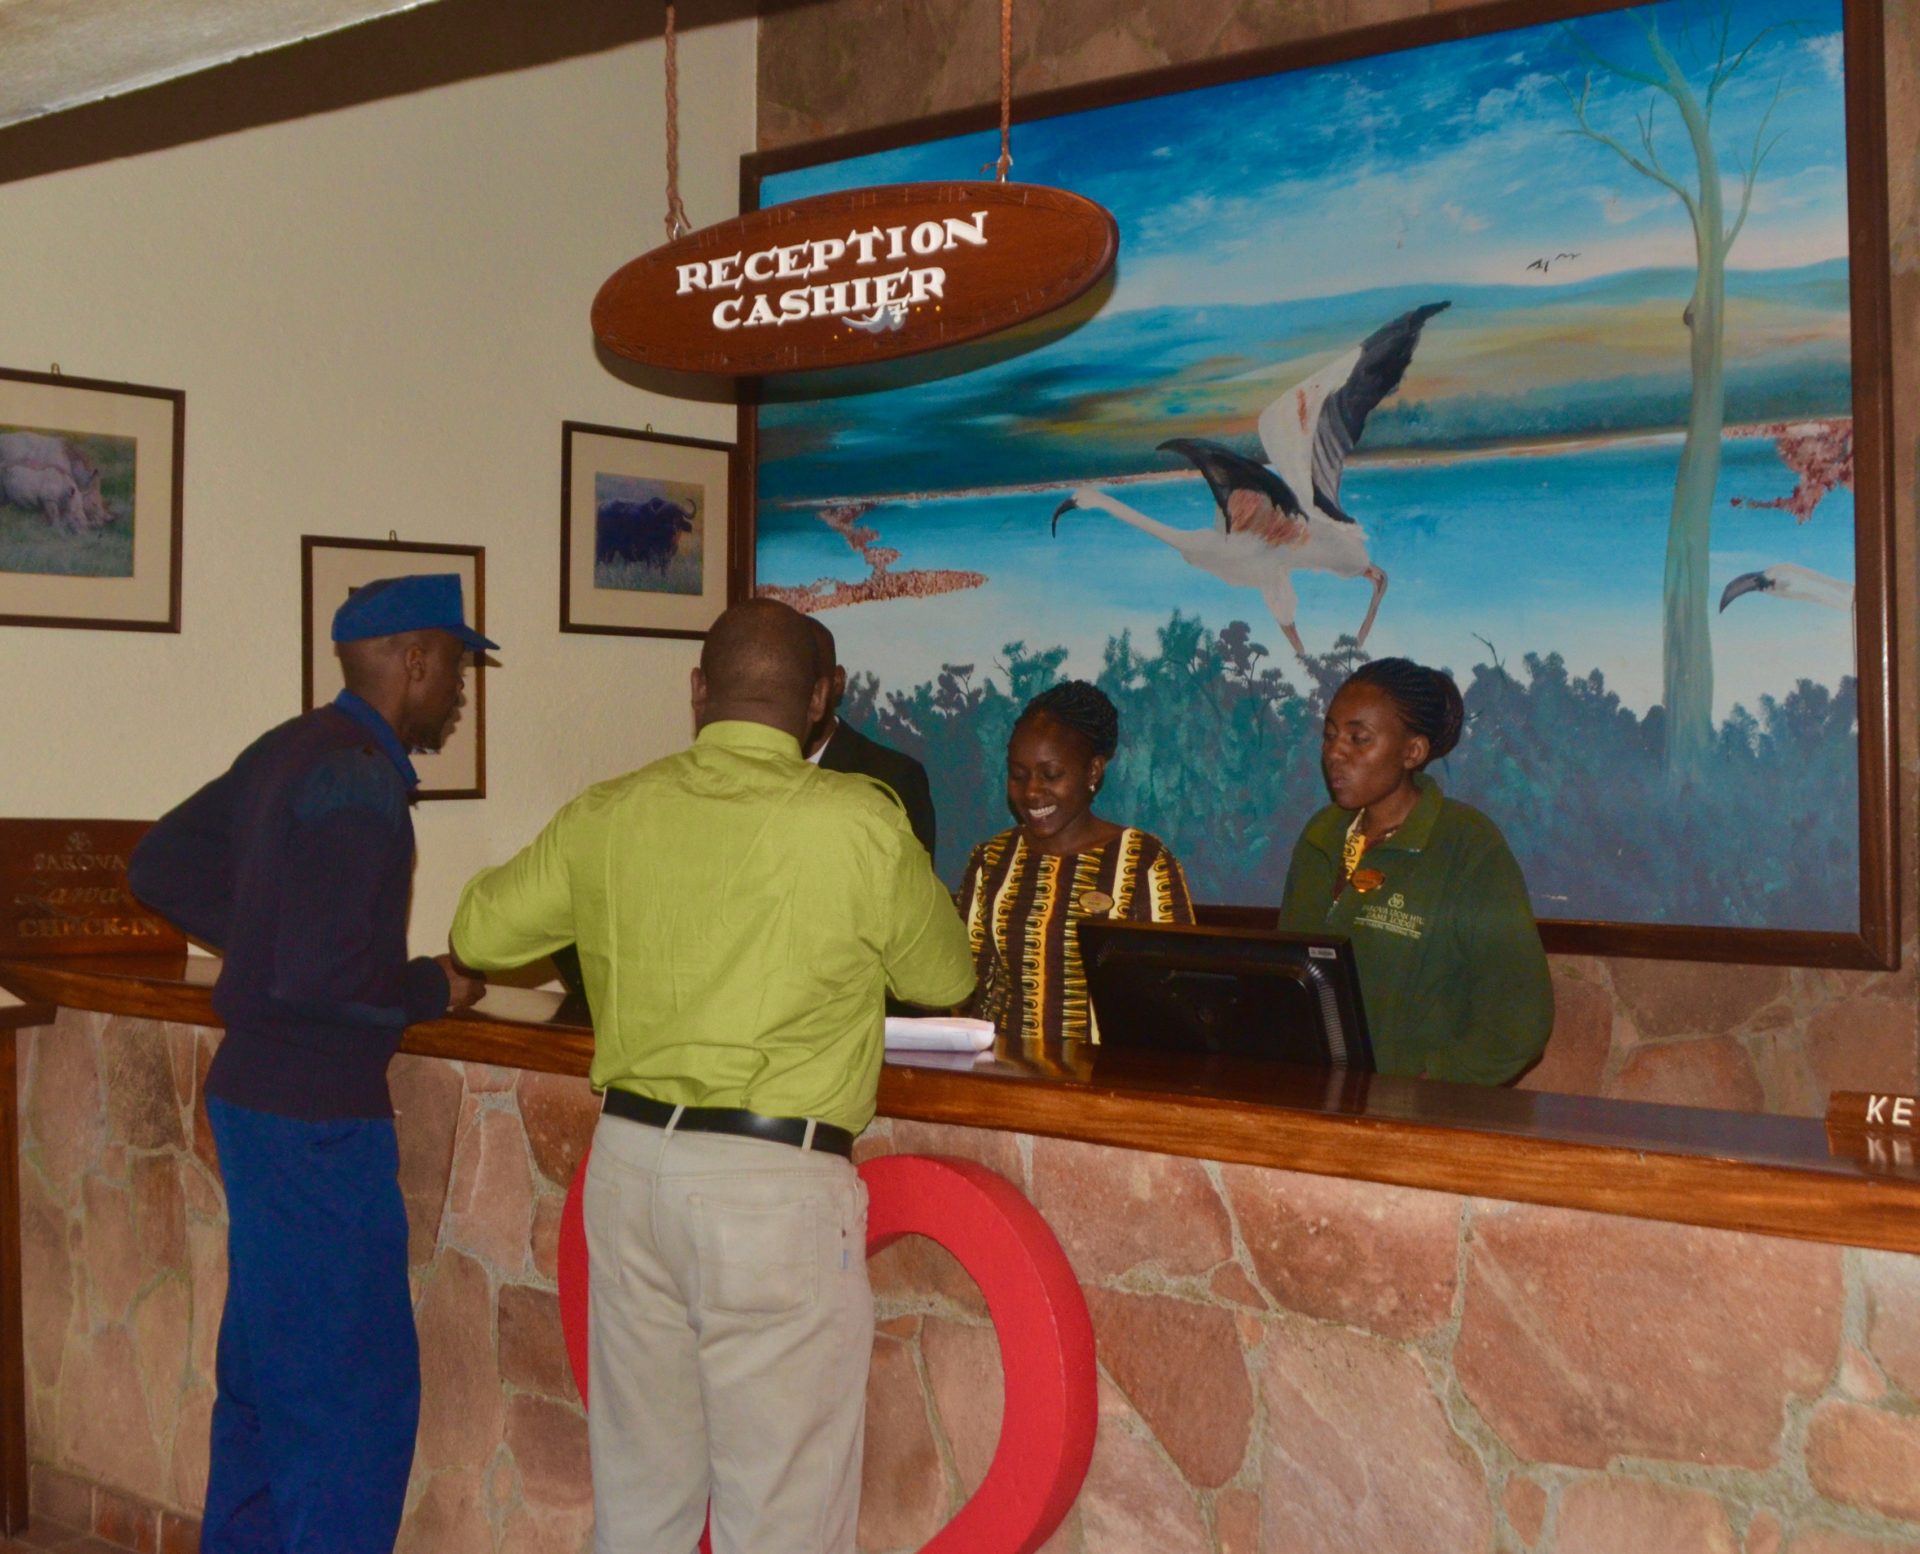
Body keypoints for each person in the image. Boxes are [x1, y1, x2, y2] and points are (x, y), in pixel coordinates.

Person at [447, 597, 973, 1554]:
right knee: (779, 1521)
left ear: (698, 693)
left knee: (641, 1509)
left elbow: (479, 932)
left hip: (631, 1170)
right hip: (776, 1192)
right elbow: (945, 975)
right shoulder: (861, 820)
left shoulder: (613, 810)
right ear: (819, 703)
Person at [126, 573, 492, 1554]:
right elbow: (330, 978)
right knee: (349, 1407)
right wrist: (429, 988)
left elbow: (158, 864)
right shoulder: (360, 777)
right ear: (412, 659)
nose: (460, 687)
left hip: (255, 1098)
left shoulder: (294, 746)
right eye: (455, 664)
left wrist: (259, 937)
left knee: (261, 1391)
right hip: (318, 1121)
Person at [1277, 657, 1552, 1084]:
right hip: (1311, 1107)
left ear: (1413, 752)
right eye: (1330, 735)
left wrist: (1426, 1086)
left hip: (1411, 1121)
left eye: (1358, 738)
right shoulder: (1321, 836)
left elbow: (1520, 1017)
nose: (1334, 752)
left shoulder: (1466, 845)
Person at [958, 680, 1194, 1043]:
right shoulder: (991, 860)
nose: (1032, 791)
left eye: (1050, 775)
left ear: (1093, 772)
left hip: (1105, 1083)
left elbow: (1177, 998)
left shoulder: (1144, 863)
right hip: (1000, 1077)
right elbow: (965, 985)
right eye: (1018, 775)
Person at [804, 615, 938, 859]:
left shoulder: (894, 779)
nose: (798, 696)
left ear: (836, 681)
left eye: (808, 682)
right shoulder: (750, 773)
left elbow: (912, 888)